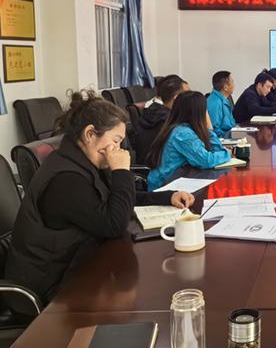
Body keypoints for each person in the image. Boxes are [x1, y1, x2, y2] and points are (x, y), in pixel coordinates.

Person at [5, 90, 195, 303]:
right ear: (90, 134)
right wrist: (121, 171)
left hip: (80, 264)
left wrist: (167, 198)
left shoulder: (84, 161)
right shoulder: (65, 180)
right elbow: (114, 224)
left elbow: (117, 199)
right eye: (116, 140)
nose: (120, 149)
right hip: (52, 287)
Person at [148, 91, 231, 190]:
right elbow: (206, 160)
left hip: (176, 181)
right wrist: (227, 153)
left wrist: (208, 131)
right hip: (163, 187)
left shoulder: (183, 128)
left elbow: (214, 150)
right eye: (205, 110)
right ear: (199, 112)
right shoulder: (183, 133)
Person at [134, 74, 188, 165]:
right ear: (176, 98)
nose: (191, 98)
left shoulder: (153, 112)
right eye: (188, 95)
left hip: (153, 166)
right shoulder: (169, 120)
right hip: (164, 168)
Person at [207, 71, 236, 137]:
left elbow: (231, 123)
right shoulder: (215, 103)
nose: (234, 85)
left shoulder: (225, 99)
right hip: (223, 140)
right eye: (232, 82)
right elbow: (214, 130)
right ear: (225, 87)